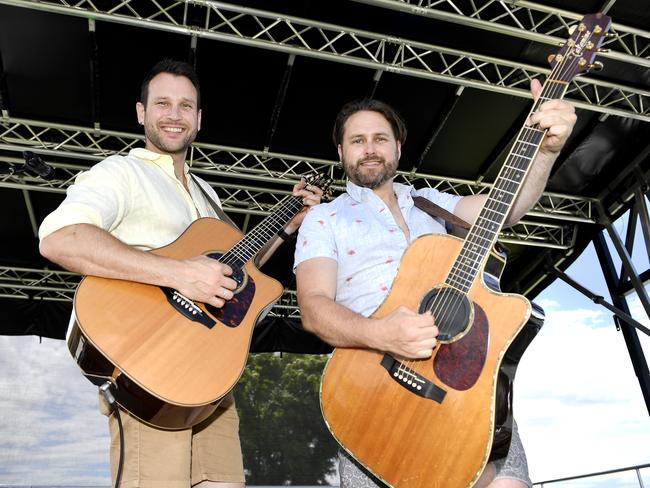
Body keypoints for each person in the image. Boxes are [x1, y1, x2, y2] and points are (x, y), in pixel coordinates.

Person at [38, 59, 321, 488]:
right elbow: (60, 238)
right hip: (151, 365)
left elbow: (238, 273)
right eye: (163, 103)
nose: (174, 115)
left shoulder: (206, 193)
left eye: (186, 106)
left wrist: (287, 224)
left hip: (210, 379)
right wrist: (177, 273)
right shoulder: (120, 172)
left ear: (199, 118)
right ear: (141, 112)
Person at [294, 82, 577, 488]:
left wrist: (545, 151)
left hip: (464, 391)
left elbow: (506, 208)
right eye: (357, 140)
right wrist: (382, 333)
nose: (369, 148)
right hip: (374, 392)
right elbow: (314, 308)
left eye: (380, 138)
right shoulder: (325, 219)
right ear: (341, 152)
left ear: (398, 148)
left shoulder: (432, 203)